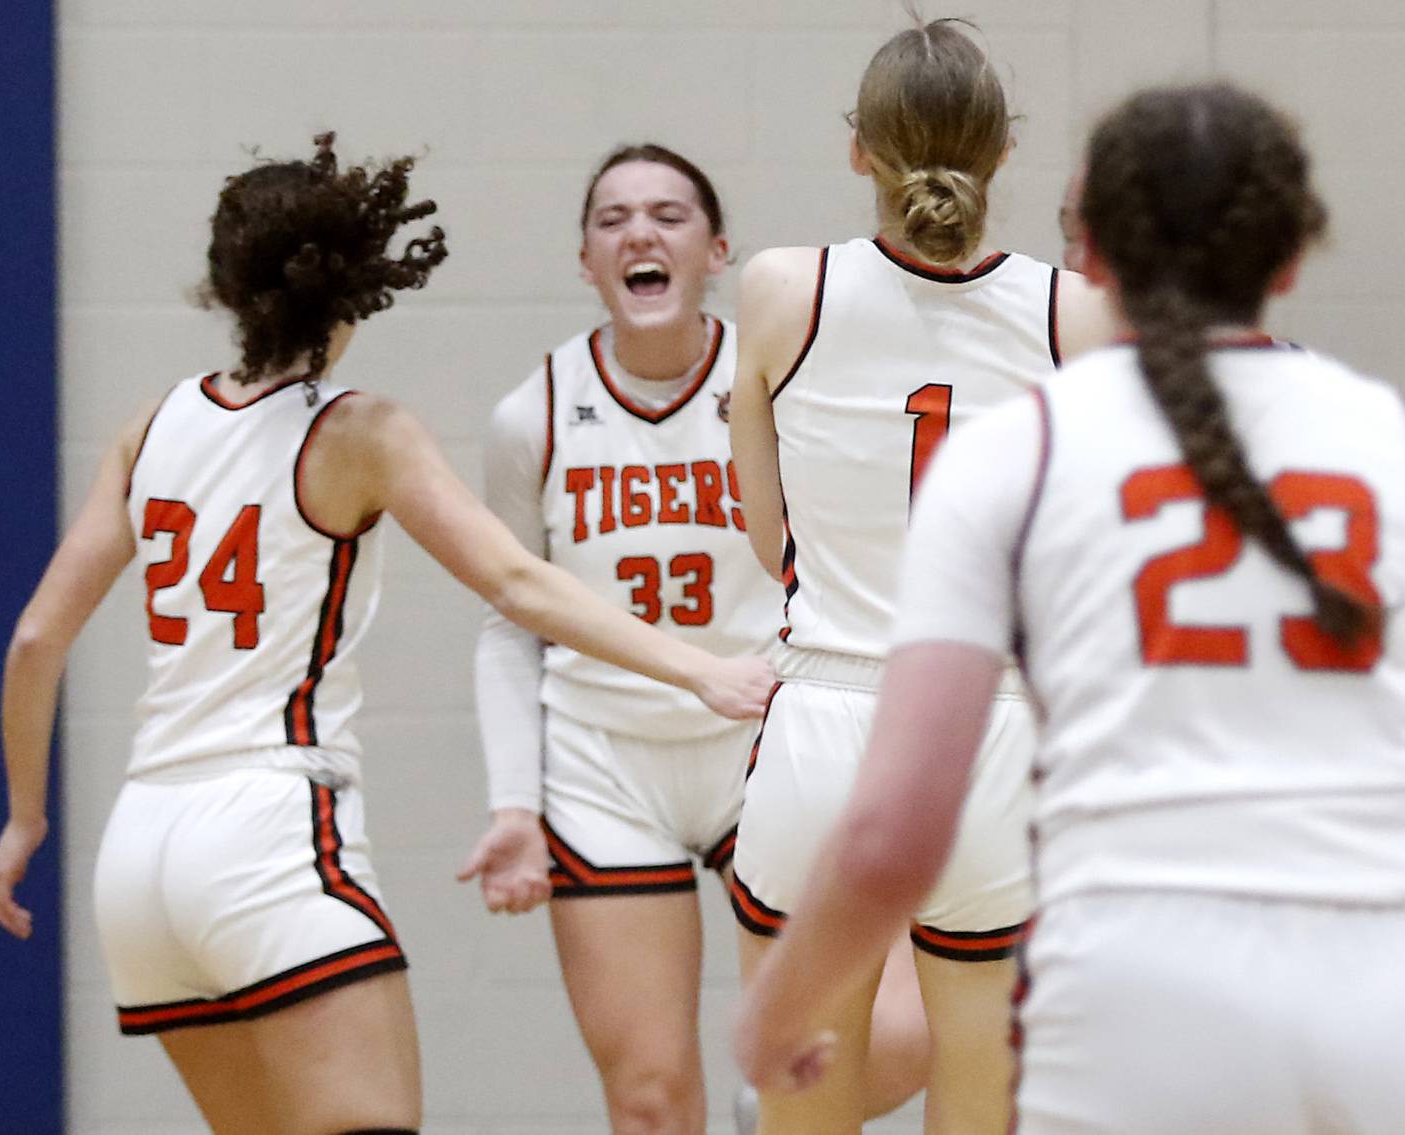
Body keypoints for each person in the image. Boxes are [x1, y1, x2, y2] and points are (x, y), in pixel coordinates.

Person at [0, 133, 772, 1135]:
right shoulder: (359, 430)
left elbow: (37, 639)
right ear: (356, 282)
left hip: (137, 863)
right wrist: (698, 668)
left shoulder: (151, 425)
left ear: (227, 284)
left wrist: (21, 820)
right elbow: (521, 584)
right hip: (266, 832)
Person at [735, 81, 1405, 1135]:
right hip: (1354, 948)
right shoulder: (1375, 432)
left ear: (1092, 245)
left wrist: (771, 1007)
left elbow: (891, 807)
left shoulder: (1024, 444)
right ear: (1290, 259)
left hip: (926, 776)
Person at [457, 143, 930, 1135]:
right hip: (605, 761)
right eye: (613, 217)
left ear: (717, 251)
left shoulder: (777, 389)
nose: (640, 231)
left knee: (885, 1037)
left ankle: (768, 1112)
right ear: (585, 259)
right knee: (649, 1099)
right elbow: (509, 622)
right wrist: (513, 799)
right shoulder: (531, 415)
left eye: (670, 215)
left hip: (764, 739)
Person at [727, 18, 1112, 1135]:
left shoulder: (777, 290)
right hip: (984, 729)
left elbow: (768, 536)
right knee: (986, 1103)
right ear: (1004, 152)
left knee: (801, 1113)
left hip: (828, 714)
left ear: (861, 151)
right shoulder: (1073, 312)